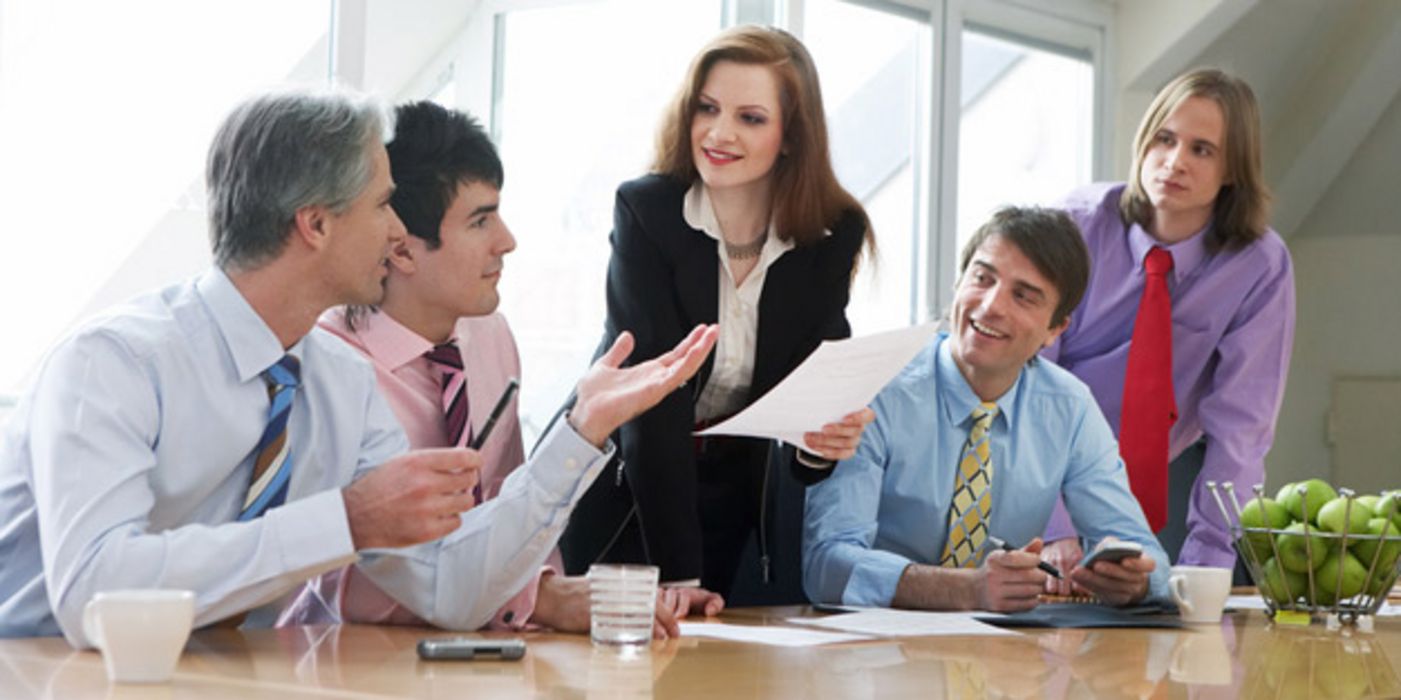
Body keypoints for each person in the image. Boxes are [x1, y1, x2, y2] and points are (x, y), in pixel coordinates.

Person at [0, 88, 717, 646]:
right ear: (315, 224)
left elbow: (449, 589)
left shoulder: (335, 387)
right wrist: (342, 520)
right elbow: (95, 591)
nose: (399, 231)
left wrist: (580, 432)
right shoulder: (113, 362)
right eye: (381, 204)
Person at [278, 101, 677, 636]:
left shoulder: (489, 336)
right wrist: (540, 600)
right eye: (480, 220)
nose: (506, 240)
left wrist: (546, 592)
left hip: (491, 648)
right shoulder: (329, 367)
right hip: (353, 654)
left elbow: (507, 504)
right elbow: (388, 579)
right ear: (399, 249)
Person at [559, 25, 875, 608]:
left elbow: (812, 383)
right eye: (707, 108)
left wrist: (819, 442)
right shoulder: (648, 212)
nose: (719, 133)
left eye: (750, 118)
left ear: (790, 136)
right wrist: (678, 575)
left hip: (733, 497)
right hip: (628, 482)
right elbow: (652, 399)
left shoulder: (831, 235)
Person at [803, 207, 1168, 611]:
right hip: (866, 656)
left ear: (1055, 330)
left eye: (1024, 296)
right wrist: (966, 589)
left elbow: (1147, 554)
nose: (992, 305)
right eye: (982, 278)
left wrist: (1134, 582)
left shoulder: (1069, 408)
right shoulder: (874, 388)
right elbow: (827, 566)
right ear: (958, 283)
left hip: (997, 655)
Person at [1038, 69, 1294, 585]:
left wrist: (1206, 567)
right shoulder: (1077, 224)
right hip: (1038, 468)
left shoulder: (1259, 267)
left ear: (1232, 170)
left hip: (1144, 483)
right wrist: (1054, 525)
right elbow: (1030, 381)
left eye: (1202, 150)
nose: (1174, 162)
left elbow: (1241, 430)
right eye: (1165, 138)